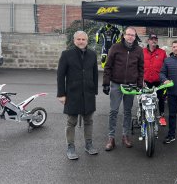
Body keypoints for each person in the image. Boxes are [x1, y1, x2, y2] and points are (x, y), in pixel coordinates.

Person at [57, 31, 98, 160]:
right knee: (71, 122)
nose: (81, 41)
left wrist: (94, 91)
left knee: (88, 121)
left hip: (88, 93)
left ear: (87, 41)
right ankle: (70, 146)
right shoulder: (66, 55)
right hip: (72, 94)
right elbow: (60, 75)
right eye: (79, 39)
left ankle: (88, 144)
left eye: (83, 39)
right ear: (74, 40)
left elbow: (95, 74)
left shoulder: (92, 54)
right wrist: (61, 94)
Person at [103, 26, 144, 151]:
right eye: (128, 34)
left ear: (135, 36)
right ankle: (111, 138)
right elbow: (108, 66)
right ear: (124, 35)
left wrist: (139, 83)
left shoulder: (138, 50)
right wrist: (106, 83)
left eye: (133, 35)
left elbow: (141, 68)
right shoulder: (115, 47)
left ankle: (125, 135)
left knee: (127, 112)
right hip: (116, 84)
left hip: (131, 86)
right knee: (113, 111)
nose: (130, 37)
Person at [143, 33, 167, 126]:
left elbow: (166, 66)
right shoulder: (142, 52)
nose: (154, 41)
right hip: (146, 81)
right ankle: (144, 116)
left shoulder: (162, 52)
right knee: (144, 99)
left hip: (159, 81)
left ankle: (161, 116)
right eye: (152, 39)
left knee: (161, 99)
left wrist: (166, 79)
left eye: (155, 39)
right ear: (148, 41)